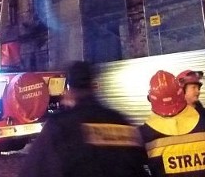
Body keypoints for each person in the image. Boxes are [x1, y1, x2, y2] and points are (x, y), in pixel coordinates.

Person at [18, 60, 148, 177]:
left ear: (69, 89)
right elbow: (139, 166)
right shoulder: (121, 122)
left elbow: (33, 170)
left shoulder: (60, 127)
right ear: (93, 86)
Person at [140, 70, 205, 176]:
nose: (198, 91)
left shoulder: (146, 133)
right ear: (181, 92)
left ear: (151, 100)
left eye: (198, 87)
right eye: (193, 87)